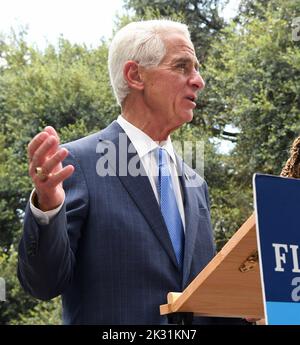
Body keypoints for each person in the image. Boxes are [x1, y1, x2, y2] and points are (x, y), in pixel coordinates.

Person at [18, 19, 246, 325]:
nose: (198, 80)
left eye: (196, 68)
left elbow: (204, 304)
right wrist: (48, 208)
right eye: (182, 66)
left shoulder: (196, 183)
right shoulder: (77, 163)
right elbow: (43, 284)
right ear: (135, 75)